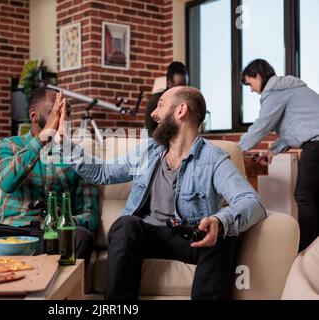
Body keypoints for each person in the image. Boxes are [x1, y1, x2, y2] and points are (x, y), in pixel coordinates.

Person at [57, 86, 266, 300]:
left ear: (181, 110)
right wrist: (65, 143)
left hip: (187, 236)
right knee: (125, 224)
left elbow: (252, 202)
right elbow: (102, 172)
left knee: (222, 234)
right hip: (144, 234)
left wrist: (219, 221)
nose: (153, 114)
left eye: (160, 105)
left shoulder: (214, 159)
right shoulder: (149, 151)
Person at [0, 87, 99, 267]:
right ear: (34, 116)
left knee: (82, 237)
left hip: (50, 235)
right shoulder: (9, 145)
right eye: (54, 112)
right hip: (7, 232)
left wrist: (64, 220)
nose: (61, 117)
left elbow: (90, 215)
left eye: (66, 112)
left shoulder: (76, 155)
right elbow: (6, 182)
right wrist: (42, 137)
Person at [239, 59, 319, 252]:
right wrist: (272, 151)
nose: (251, 90)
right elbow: (294, 127)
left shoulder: (275, 92)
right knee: (314, 197)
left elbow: (261, 127)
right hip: (315, 141)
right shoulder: (288, 88)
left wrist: (234, 150)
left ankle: (306, 249)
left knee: (303, 195)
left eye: (250, 83)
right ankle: (315, 251)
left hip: (316, 143)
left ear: (258, 75)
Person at [145, 61, 188, 136]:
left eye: (185, 85)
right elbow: (149, 132)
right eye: (179, 85)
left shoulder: (186, 102)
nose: (183, 89)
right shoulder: (156, 100)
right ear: (169, 84)